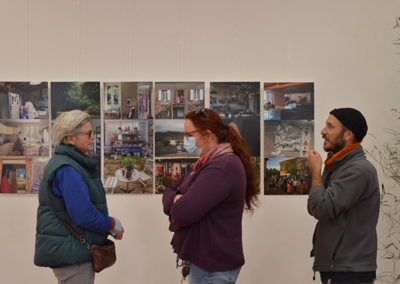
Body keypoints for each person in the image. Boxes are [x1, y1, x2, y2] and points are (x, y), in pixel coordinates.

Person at [162, 108, 258, 284]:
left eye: (188, 135)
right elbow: (170, 191)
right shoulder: (207, 162)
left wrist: (178, 200)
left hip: (213, 266)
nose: (186, 140)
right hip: (208, 263)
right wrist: (177, 198)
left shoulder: (222, 166)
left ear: (207, 135)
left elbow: (182, 213)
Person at [34, 110, 124, 284]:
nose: (93, 137)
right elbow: (84, 214)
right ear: (70, 138)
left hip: (70, 251)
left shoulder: (69, 164)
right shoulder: (67, 168)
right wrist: (112, 224)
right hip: (72, 257)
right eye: (88, 133)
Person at [307, 108, 379, 284]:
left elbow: (320, 208)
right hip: (340, 268)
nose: (323, 131)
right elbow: (314, 205)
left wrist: (316, 171)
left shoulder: (358, 170)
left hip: (350, 271)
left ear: (348, 134)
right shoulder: (337, 164)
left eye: (330, 127)